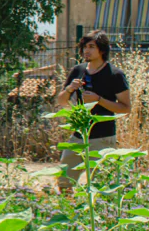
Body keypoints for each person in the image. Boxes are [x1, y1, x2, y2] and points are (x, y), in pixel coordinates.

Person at [55, 30, 131, 193]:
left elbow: (126, 108)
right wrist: (69, 89)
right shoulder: (78, 70)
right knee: (64, 180)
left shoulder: (115, 75)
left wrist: (99, 100)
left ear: (102, 50)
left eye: (91, 47)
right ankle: (69, 212)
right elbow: (61, 101)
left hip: (103, 138)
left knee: (102, 186)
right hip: (78, 134)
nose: (86, 51)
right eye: (84, 47)